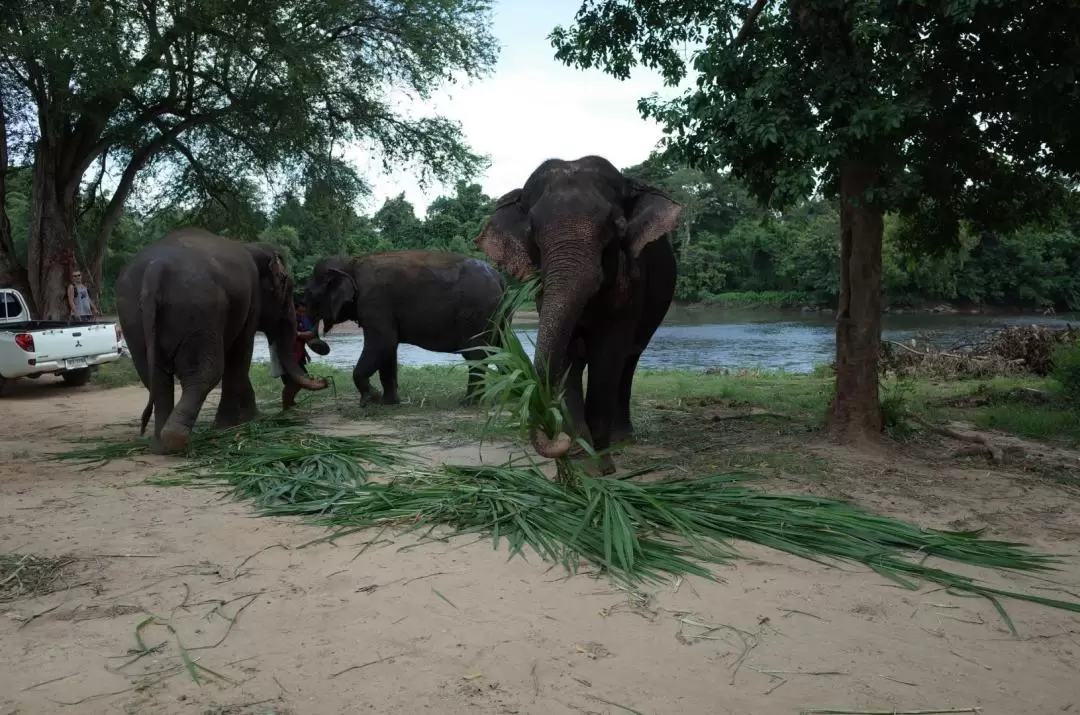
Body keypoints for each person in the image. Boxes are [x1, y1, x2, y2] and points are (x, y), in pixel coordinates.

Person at [281, 295, 318, 410]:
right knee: (294, 381)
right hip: (288, 358)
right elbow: (302, 336)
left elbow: (302, 339)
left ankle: (290, 402)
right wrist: (301, 334)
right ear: (294, 309)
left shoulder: (301, 321)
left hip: (298, 356)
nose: (301, 314)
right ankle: (286, 406)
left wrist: (306, 354)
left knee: (299, 380)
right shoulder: (287, 321)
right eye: (300, 312)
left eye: (303, 312)